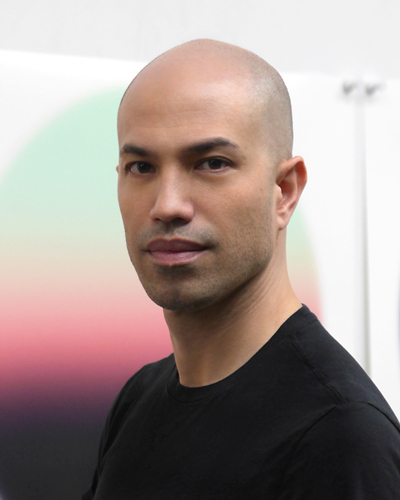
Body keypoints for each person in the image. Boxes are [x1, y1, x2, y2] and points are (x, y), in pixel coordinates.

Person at [83, 40, 400, 499]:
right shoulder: (138, 399)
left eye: (212, 163)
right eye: (141, 167)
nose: (167, 205)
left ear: (285, 191)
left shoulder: (341, 438)